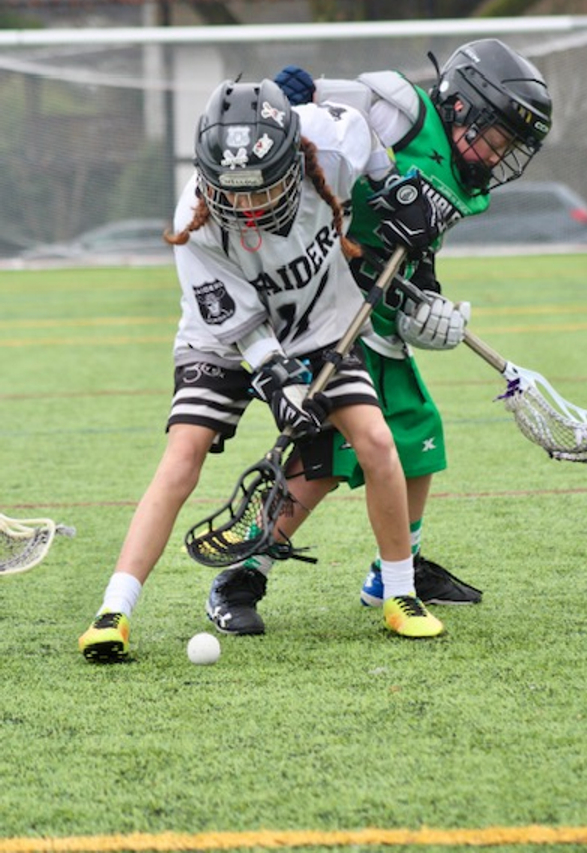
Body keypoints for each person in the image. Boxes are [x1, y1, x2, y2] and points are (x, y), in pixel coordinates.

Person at [78, 77, 452, 662]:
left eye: (262, 190)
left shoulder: (333, 139)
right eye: (234, 194)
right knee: (183, 457)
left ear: (293, 157)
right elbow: (240, 324)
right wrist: (279, 382)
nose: (248, 207)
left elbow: (372, 145)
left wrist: (394, 189)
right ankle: (113, 610)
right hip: (226, 340)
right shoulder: (195, 221)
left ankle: (400, 595)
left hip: (321, 323)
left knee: (378, 442)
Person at [206, 39, 552, 636]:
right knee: (323, 460)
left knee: (419, 433)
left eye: (508, 149)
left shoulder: (464, 181)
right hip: (325, 308)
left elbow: (416, 248)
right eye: (496, 139)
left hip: (377, 319)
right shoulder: (401, 109)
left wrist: (430, 301)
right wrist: (294, 92)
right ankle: (241, 574)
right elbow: (290, 106)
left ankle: (396, 570)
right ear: (463, 107)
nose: (497, 158)